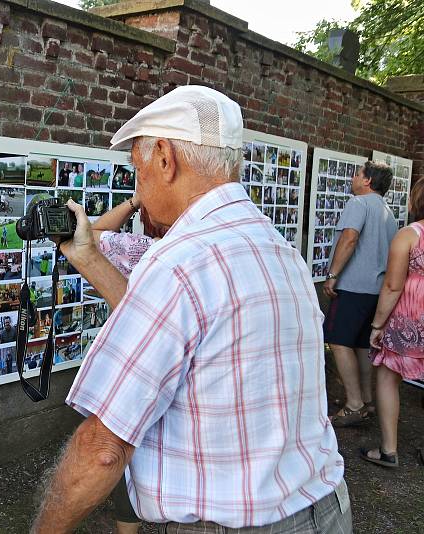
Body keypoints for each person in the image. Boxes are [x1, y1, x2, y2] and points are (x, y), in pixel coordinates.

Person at [33, 86, 348, 534]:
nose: (138, 187)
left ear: (164, 157)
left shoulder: (180, 261)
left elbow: (104, 447)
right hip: (323, 510)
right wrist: (87, 258)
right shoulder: (278, 249)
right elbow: (177, 338)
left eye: (136, 170)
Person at [323, 161, 397, 426]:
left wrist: (332, 275)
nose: (353, 178)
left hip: (353, 286)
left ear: (367, 181)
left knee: (337, 340)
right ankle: (366, 401)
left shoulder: (359, 203)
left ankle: (353, 403)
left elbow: (350, 238)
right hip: (376, 290)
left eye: (357, 174)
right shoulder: (388, 211)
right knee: (362, 344)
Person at [361, 179, 424, 467]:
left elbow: (392, 286)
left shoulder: (409, 235)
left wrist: (377, 325)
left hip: (410, 318)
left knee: (387, 376)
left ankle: (388, 450)